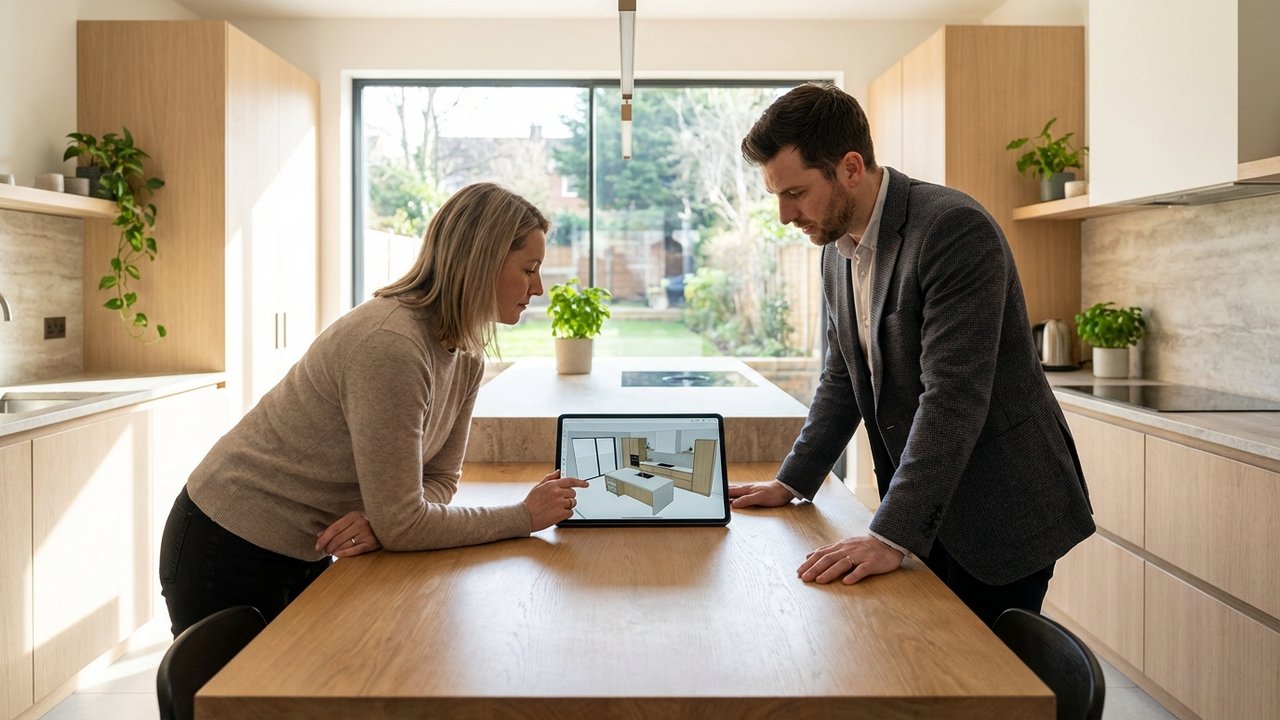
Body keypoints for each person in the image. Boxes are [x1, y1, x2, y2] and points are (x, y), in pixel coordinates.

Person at [729, 82, 1094, 627]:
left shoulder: (951, 229)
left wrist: (890, 533)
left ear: (851, 167)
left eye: (796, 193)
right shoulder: (836, 251)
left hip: (1000, 508)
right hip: (929, 505)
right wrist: (794, 479)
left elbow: (952, 396)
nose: (784, 214)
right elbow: (841, 378)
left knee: (976, 684)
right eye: (777, 196)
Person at [158, 182, 588, 637]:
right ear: (481, 261)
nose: (538, 288)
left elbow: (440, 480)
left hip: (308, 546)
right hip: (227, 544)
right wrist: (522, 517)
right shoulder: (392, 345)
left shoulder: (466, 355)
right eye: (529, 268)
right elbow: (406, 522)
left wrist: (388, 524)